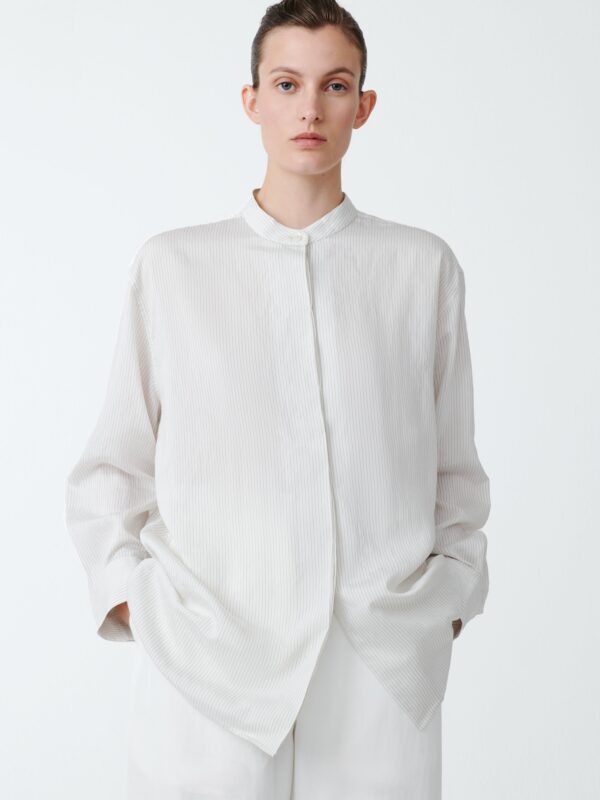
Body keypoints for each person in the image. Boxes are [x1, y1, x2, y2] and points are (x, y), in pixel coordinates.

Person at [65, 1, 491, 797]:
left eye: (336, 85)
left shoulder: (421, 268)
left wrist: (444, 605)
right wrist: (139, 604)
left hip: (377, 665)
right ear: (251, 100)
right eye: (287, 83)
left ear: (364, 105)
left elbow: (455, 474)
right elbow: (113, 470)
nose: (310, 109)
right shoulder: (173, 268)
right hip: (207, 664)